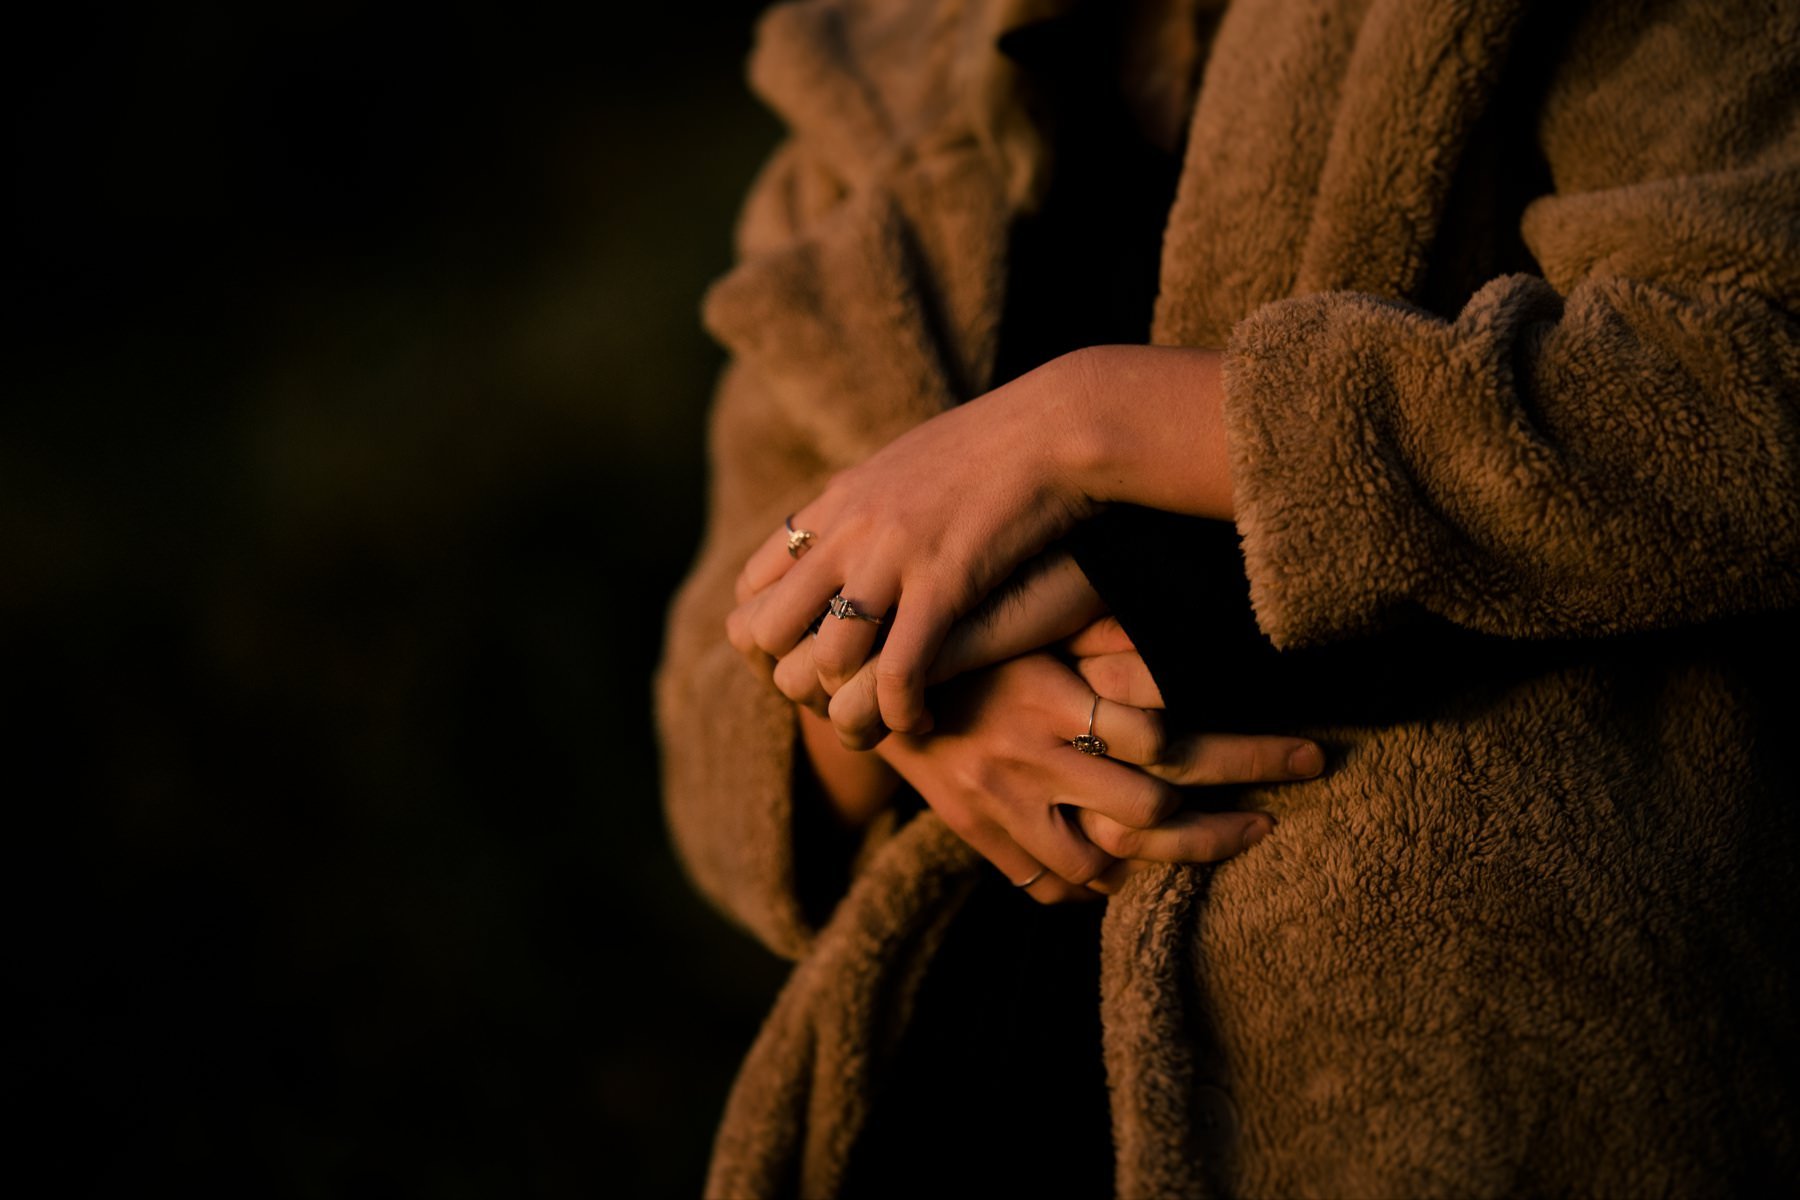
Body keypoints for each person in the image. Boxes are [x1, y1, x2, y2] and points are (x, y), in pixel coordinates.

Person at [657, 0, 1800, 1194]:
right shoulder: (865, 99)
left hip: (1479, 1049)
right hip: (958, 1084)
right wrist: (909, 696)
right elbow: (709, 744)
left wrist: (1083, 424)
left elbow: (1747, 389)